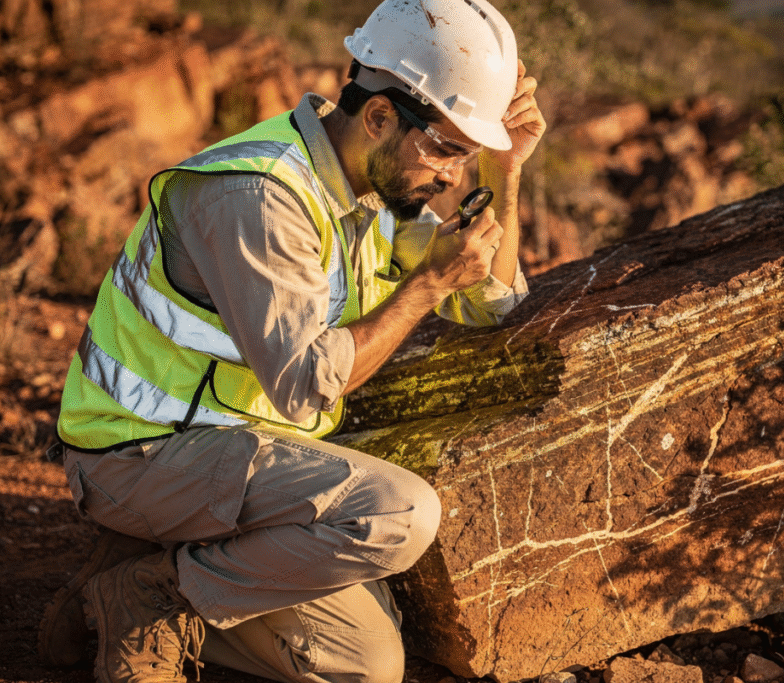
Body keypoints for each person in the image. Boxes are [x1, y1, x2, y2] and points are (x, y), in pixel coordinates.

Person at [37, 0, 545, 680]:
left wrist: (509, 175)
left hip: (238, 454)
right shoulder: (262, 195)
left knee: (365, 665)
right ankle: (163, 588)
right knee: (399, 513)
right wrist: (424, 287)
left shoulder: (374, 189)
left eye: (469, 156)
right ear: (381, 116)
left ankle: (131, 587)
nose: (454, 177)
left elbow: (493, 302)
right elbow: (305, 386)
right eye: (449, 149)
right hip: (140, 453)